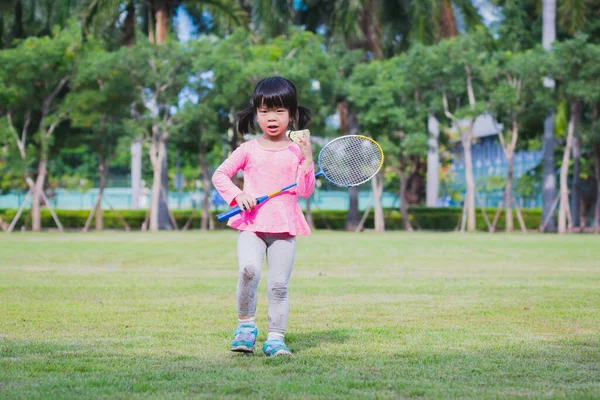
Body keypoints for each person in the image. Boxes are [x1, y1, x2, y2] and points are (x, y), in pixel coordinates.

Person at [211, 76, 315, 357]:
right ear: (256, 113)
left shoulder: (297, 151)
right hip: (251, 227)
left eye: (280, 111)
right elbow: (220, 175)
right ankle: (245, 328)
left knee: (278, 286)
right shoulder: (248, 149)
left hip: (284, 229)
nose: (272, 118)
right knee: (249, 271)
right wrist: (237, 196)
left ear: (292, 115)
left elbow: (304, 191)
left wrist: (307, 160)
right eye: (265, 110)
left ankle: (276, 339)